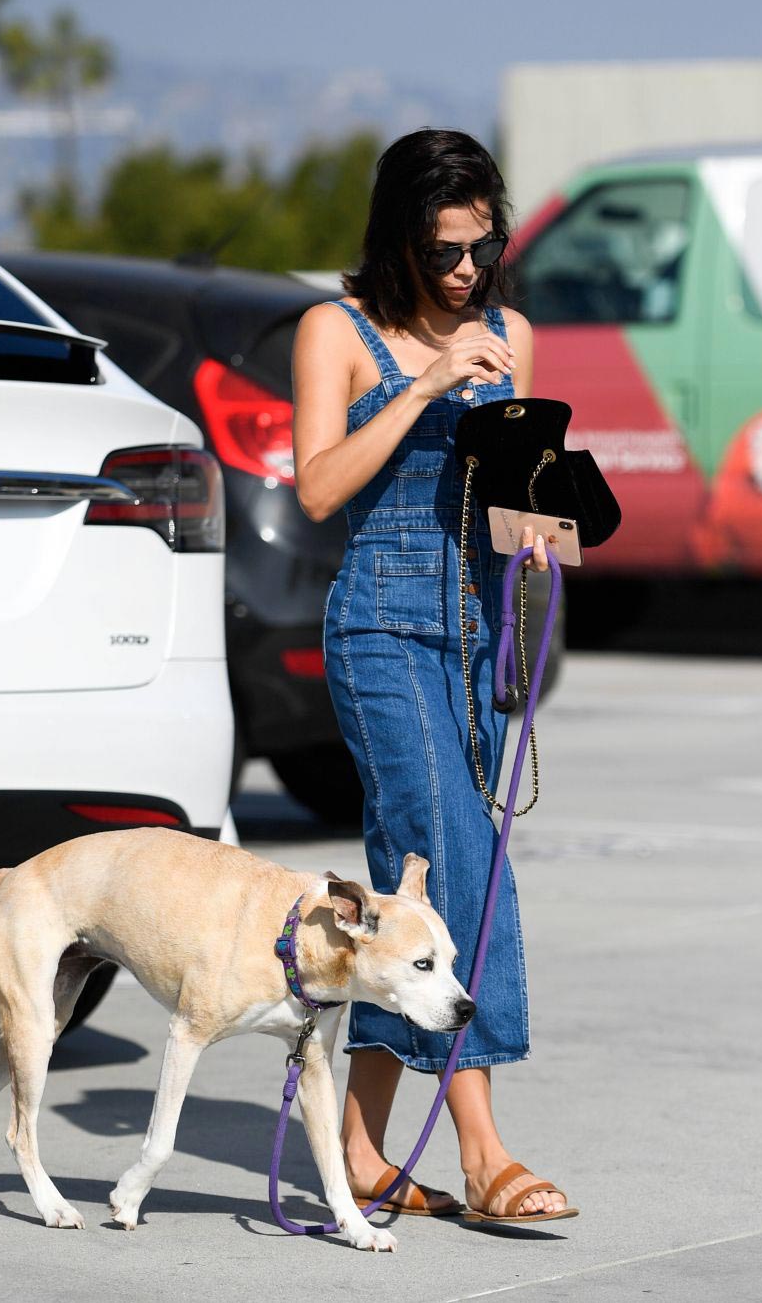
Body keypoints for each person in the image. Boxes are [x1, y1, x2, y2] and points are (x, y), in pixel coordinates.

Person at [292, 129, 575, 1224]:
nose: (466, 269)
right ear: (400, 236)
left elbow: (519, 490)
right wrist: (424, 384)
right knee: (459, 864)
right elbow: (319, 488)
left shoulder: (513, 331)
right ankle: (486, 1150)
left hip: (475, 628)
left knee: (418, 880)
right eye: (445, 248)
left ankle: (358, 1145)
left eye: (482, 245)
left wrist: (545, 523)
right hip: (377, 626)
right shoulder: (339, 329)